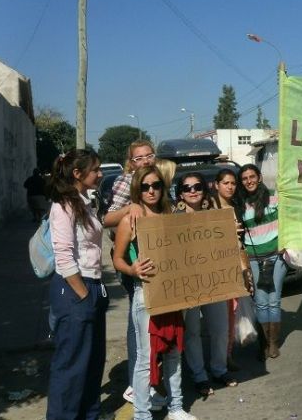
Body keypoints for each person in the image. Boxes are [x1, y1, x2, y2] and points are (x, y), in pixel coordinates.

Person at [112, 166, 196, 420]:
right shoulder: (131, 220)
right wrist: (132, 269)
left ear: (163, 187)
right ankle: (142, 415)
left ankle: (176, 407)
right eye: (146, 186)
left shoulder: (171, 215)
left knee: (173, 351)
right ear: (138, 188)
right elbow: (117, 258)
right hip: (145, 293)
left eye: (156, 185)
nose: (151, 191)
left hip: (173, 292)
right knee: (145, 359)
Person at [46, 149, 109, 420]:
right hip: (74, 289)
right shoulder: (63, 205)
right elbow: (63, 253)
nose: (100, 174)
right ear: (77, 173)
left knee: (93, 363)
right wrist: (83, 295)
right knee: (72, 366)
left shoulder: (83, 201)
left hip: (91, 285)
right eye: (95, 169)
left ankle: (88, 415)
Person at [103, 139, 160, 405]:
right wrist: (130, 207)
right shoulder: (127, 181)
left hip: (156, 260)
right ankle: (135, 384)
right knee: (137, 324)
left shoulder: (157, 178)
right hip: (132, 261)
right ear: (131, 161)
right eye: (139, 158)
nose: (145, 160)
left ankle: (150, 380)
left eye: (149, 155)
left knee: (153, 323)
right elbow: (107, 219)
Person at [176, 172, 238, 396]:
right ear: (180, 193)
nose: (192, 191)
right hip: (187, 284)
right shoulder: (172, 218)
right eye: (187, 187)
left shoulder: (217, 217)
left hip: (214, 281)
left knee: (220, 329)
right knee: (192, 332)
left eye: (197, 186)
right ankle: (199, 376)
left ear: (204, 190)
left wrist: (233, 235)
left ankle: (219, 369)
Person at [237, 164, 286, 359]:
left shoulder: (274, 197)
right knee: (260, 301)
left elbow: (290, 218)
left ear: (259, 177)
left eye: (252, 176)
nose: (249, 181)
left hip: (276, 254)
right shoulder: (239, 204)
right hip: (253, 257)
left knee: (273, 300)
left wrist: (285, 242)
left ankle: (273, 344)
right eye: (244, 178)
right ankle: (263, 344)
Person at [212, 169, 244, 370]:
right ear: (216, 185)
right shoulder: (209, 209)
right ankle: (218, 358)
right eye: (225, 183)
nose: (230, 187)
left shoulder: (235, 206)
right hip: (216, 268)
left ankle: (227, 355)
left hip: (235, 264)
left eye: (233, 183)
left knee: (232, 312)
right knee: (219, 318)